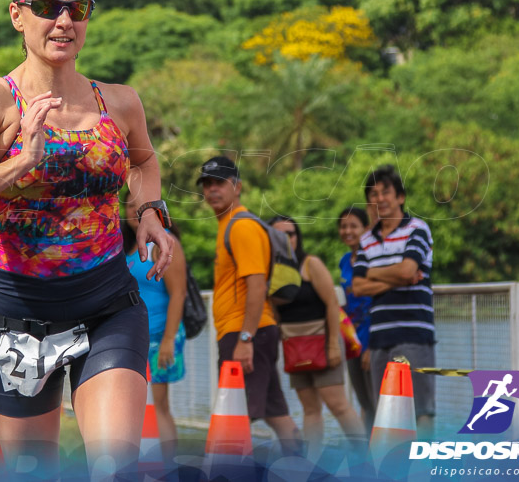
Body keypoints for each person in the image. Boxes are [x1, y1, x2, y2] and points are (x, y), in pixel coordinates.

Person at [0, 0, 173, 480]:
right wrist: (23, 162)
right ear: (17, 15)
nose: (63, 21)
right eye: (47, 7)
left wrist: (149, 208)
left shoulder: (120, 102)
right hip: (18, 320)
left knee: (116, 466)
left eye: (77, 10)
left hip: (109, 307)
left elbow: (145, 161)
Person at [197, 155, 302, 455]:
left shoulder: (241, 226)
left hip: (243, 334)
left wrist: (245, 339)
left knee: (233, 417)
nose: (212, 189)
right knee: (278, 417)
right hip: (254, 333)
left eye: (219, 183)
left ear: (237, 186)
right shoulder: (229, 224)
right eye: (207, 184)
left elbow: (257, 285)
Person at [351, 165, 435, 439]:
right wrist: (396, 276)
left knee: (420, 410)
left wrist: (374, 273)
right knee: (385, 412)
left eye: (386, 192)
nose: (380, 199)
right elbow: (358, 286)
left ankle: (423, 471)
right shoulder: (367, 240)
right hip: (379, 337)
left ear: (400, 197)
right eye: (373, 194)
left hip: (413, 334)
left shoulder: (417, 229)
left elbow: (408, 271)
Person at [271, 216, 365, 454]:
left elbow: (333, 304)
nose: (284, 240)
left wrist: (333, 345)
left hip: (323, 342)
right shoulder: (270, 272)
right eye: (277, 235)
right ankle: (311, 463)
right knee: (309, 409)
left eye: (290, 234)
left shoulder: (310, 264)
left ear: (297, 237)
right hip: (295, 347)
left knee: (338, 405)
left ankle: (367, 459)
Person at [122, 211, 187, 461]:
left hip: (160, 334)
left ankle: (169, 467)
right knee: (133, 408)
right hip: (134, 337)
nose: (132, 213)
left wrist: (169, 339)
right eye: (128, 206)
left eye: (138, 207)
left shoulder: (165, 241)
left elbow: (179, 293)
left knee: (159, 405)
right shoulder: (126, 247)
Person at [337, 206, 376, 433]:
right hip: (352, 339)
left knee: (378, 400)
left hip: (372, 337)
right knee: (364, 402)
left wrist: (372, 346)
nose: (347, 231)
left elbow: (378, 303)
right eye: (343, 226)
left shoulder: (373, 258)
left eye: (353, 226)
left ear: (366, 228)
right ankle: (367, 458)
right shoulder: (344, 261)